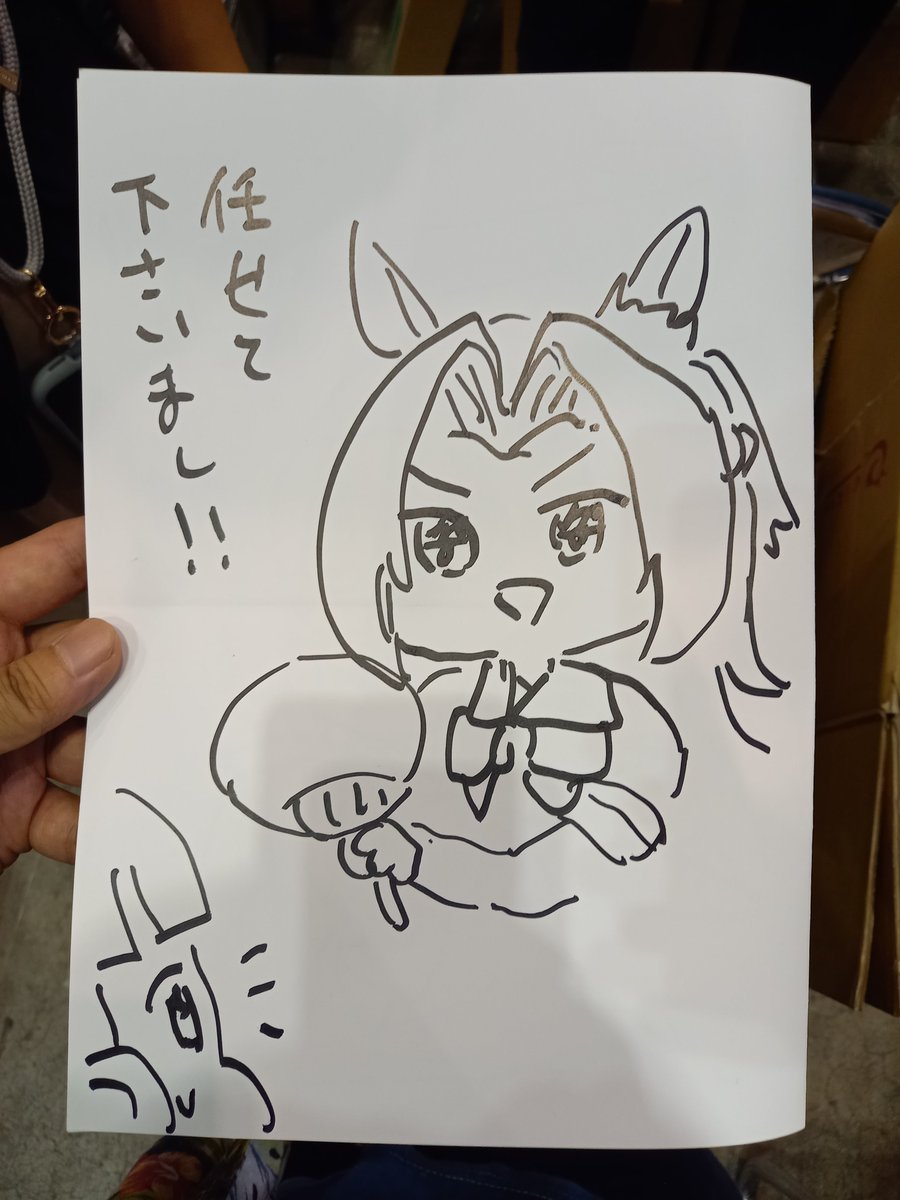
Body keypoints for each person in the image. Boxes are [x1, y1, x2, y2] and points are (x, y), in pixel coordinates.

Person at [0, 518, 743, 1197]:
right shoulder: (379, 847)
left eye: (340, 785)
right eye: (313, 806)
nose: (345, 803)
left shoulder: (437, 719)